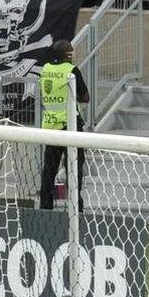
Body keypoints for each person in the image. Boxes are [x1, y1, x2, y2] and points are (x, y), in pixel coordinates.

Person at [38, 40, 89, 211]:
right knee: (73, 172)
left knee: (49, 172)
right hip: (69, 126)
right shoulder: (71, 71)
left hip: (50, 126)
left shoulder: (45, 69)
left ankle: (45, 208)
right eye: (71, 52)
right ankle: (76, 209)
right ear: (68, 55)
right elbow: (85, 97)